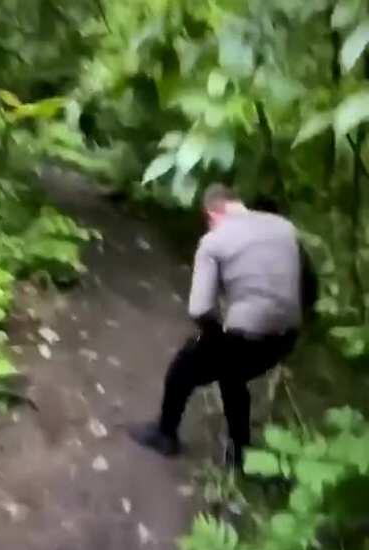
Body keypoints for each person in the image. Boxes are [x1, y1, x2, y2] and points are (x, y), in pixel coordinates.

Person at [129, 184, 308, 466]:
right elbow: (308, 285)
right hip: (286, 336)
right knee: (232, 374)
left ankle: (165, 435)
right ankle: (240, 454)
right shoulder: (285, 228)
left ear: (213, 213)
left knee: (182, 369)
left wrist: (213, 337)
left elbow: (200, 309)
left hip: (245, 335)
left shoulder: (214, 241)